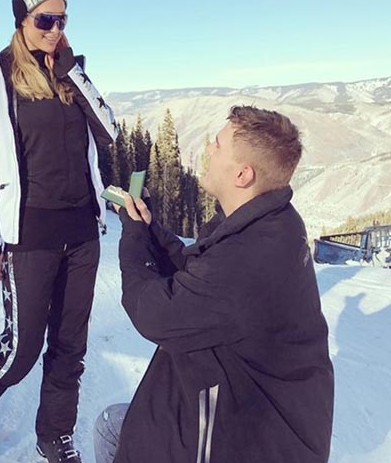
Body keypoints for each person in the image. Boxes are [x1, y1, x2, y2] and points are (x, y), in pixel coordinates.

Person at [0, 0, 119, 462]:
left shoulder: (70, 72)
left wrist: (73, 71)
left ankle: (55, 435)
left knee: (69, 346)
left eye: (62, 19)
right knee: (21, 349)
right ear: (22, 20)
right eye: (45, 20)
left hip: (81, 230)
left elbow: (110, 130)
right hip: (29, 232)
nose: (55, 29)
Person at [94, 106, 334, 463]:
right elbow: (198, 270)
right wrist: (148, 229)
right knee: (115, 425)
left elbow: (155, 314)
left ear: (242, 174)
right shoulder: (268, 221)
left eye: (217, 145)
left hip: (245, 438)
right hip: (265, 416)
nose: (208, 149)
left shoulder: (250, 256)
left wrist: (132, 238)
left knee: (115, 429)